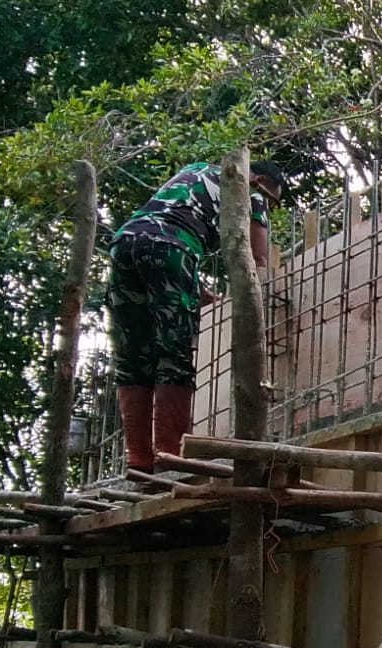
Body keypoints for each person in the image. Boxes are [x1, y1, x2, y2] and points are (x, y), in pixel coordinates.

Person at [106, 159, 286, 473]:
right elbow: (258, 261)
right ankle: (170, 456)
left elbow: (165, 235)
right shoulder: (250, 190)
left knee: (132, 357)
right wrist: (257, 298)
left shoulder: (196, 171)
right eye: (272, 201)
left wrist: (201, 294)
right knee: (175, 354)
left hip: (125, 244)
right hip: (173, 248)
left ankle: (138, 461)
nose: (268, 207)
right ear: (258, 180)